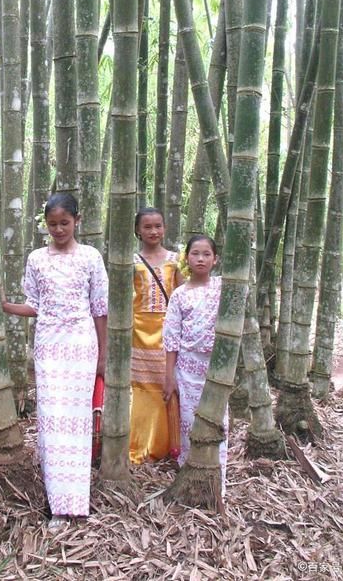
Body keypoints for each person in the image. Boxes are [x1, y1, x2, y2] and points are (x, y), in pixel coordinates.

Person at [2, 193, 108, 530]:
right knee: (51, 419)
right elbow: (35, 304)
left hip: (80, 343)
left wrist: (103, 354)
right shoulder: (36, 259)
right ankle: (55, 502)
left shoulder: (91, 257)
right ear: (44, 225)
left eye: (65, 222)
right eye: (52, 224)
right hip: (48, 344)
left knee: (76, 420)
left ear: (78, 219)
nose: (59, 229)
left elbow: (100, 308)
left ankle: (75, 502)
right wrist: (5, 305)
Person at [162, 233, 227, 486]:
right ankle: (189, 477)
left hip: (216, 370)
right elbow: (171, 338)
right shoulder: (179, 295)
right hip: (187, 370)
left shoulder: (224, 287)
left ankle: (217, 481)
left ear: (216, 259)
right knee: (188, 424)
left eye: (206, 254)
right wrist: (169, 376)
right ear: (186, 258)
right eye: (195, 254)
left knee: (218, 423)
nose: (200, 259)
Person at [129, 207, 182, 464]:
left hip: (168, 331)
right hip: (138, 331)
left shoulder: (175, 259)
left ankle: (166, 444)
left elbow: (183, 296)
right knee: (141, 388)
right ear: (138, 230)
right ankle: (138, 445)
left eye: (158, 226)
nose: (154, 231)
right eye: (147, 227)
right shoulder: (131, 261)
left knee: (167, 386)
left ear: (165, 228)